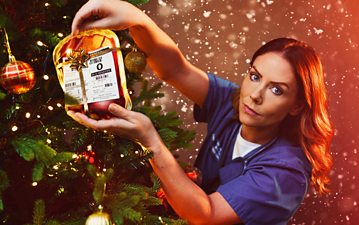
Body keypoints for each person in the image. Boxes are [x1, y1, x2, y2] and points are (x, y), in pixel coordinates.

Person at [68, 0, 333, 224]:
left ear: (297, 105)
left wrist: (150, 141)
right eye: (254, 76)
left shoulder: (286, 172)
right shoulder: (235, 102)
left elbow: (205, 215)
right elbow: (176, 69)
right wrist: (137, 20)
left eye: (277, 90)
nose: (255, 94)